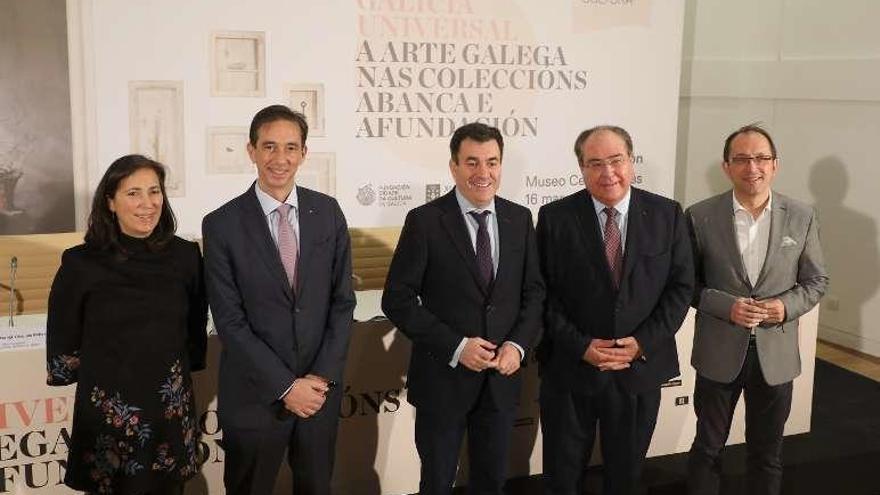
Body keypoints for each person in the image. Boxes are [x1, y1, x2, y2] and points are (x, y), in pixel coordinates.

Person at [382, 122, 544, 494]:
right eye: (472, 162)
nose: (482, 173)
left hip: (501, 382)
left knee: (491, 482)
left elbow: (534, 293)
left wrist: (517, 346)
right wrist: (456, 347)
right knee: (437, 483)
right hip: (443, 380)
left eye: (491, 162)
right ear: (454, 167)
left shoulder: (519, 219)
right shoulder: (424, 221)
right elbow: (398, 298)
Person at [202, 105, 355, 495]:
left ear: (304, 153)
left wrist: (318, 379)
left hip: (318, 396)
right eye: (269, 146)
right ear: (251, 150)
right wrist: (287, 387)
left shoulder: (328, 212)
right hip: (254, 397)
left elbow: (342, 302)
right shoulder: (221, 224)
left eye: (290, 147)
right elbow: (229, 320)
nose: (280, 158)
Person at [536, 125, 694, 495]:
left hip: (637, 370)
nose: (608, 173)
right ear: (581, 168)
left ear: (631, 162)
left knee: (626, 478)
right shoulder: (555, 217)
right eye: (595, 163)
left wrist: (641, 343)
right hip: (571, 370)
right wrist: (582, 346)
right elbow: (542, 294)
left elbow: (681, 288)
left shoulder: (666, 214)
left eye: (616, 161)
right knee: (562, 477)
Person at [46, 154, 208, 495]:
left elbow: (194, 328)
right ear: (110, 202)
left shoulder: (186, 256)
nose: (147, 204)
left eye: (154, 192)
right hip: (109, 417)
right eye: (133, 193)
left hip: (168, 414)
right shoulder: (80, 263)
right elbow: (64, 338)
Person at [685, 124, 828, 495]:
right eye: (743, 159)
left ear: (775, 165)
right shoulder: (699, 216)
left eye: (762, 158)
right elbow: (686, 286)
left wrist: (784, 306)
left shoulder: (801, 215)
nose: (753, 167)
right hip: (719, 351)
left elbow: (816, 281)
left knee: (767, 454)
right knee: (707, 449)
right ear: (726, 166)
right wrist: (726, 306)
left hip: (775, 356)